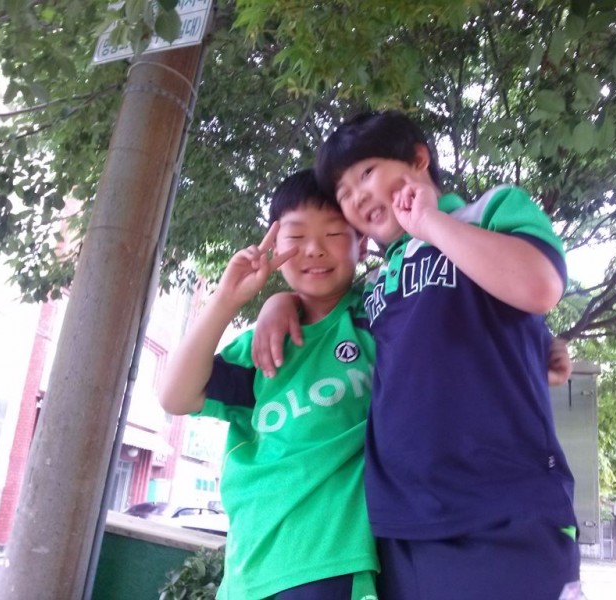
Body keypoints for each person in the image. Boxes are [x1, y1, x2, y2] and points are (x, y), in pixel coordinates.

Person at [252, 111, 581, 599]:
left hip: (503, 508)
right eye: (344, 191)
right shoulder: (379, 281)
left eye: (366, 172)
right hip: (401, 523)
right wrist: (279, 302)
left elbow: (538, 286)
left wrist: (429, 223)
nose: (356, 196)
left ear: (419, 159)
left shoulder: (489, 211)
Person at [158, 169, 380, 600]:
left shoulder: (376, 320)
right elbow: (175, 396)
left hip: (330, 562)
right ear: (275, 245)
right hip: (248, 571)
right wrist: (228, 299)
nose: (314, 249)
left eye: (335, 233)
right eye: (296, 236)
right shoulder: (261, 347)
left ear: (363, 244)